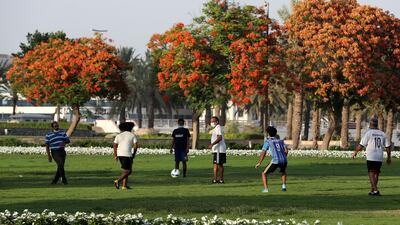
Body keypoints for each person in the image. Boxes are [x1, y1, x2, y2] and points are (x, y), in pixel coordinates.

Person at [352, 117, 391, 196]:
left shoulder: (369, 133)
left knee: (371, 172)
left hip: (371, 156)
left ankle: (376, 190)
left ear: (371, 124)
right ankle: (372, 190)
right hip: (379, 156)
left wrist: (355, 152)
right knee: (376, 173)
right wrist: (389, 157)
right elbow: (388, 146)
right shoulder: (383, 133)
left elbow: (361, 145)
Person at [255, 126, 288, 193]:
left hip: (275, 160)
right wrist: (284, 157)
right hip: (284, 160)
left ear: (268, 133)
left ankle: (266, 189)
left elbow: (263, 153)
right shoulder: (281, 141)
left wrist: (259, 163)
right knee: (283, 171)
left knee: (264, 173)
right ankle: (284, 187)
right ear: (275, 133)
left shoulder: (268, 141)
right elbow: (286, 151)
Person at [113, 122, 138, 190]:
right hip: (127, 155)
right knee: (128, 171)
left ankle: (124, 186)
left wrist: (115, 155)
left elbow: (115, 146)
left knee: (125, 170)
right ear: (130, 128)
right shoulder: (132, 135)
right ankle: (117, 181)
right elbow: (136, 146)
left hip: (120, 154)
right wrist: (134, 154)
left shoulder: (119, 135)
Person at [208, 116, 226, 184]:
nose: (212, 122)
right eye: (211, 121)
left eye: (213, 121)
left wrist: (212, 144)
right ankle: (219, 179)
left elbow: (219, 137)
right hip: (218, 149)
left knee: (217, 165)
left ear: (217, 121)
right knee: (219, 164)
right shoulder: (216, 128)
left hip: (219, 149)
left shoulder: (218, 128)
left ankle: (217, 179)